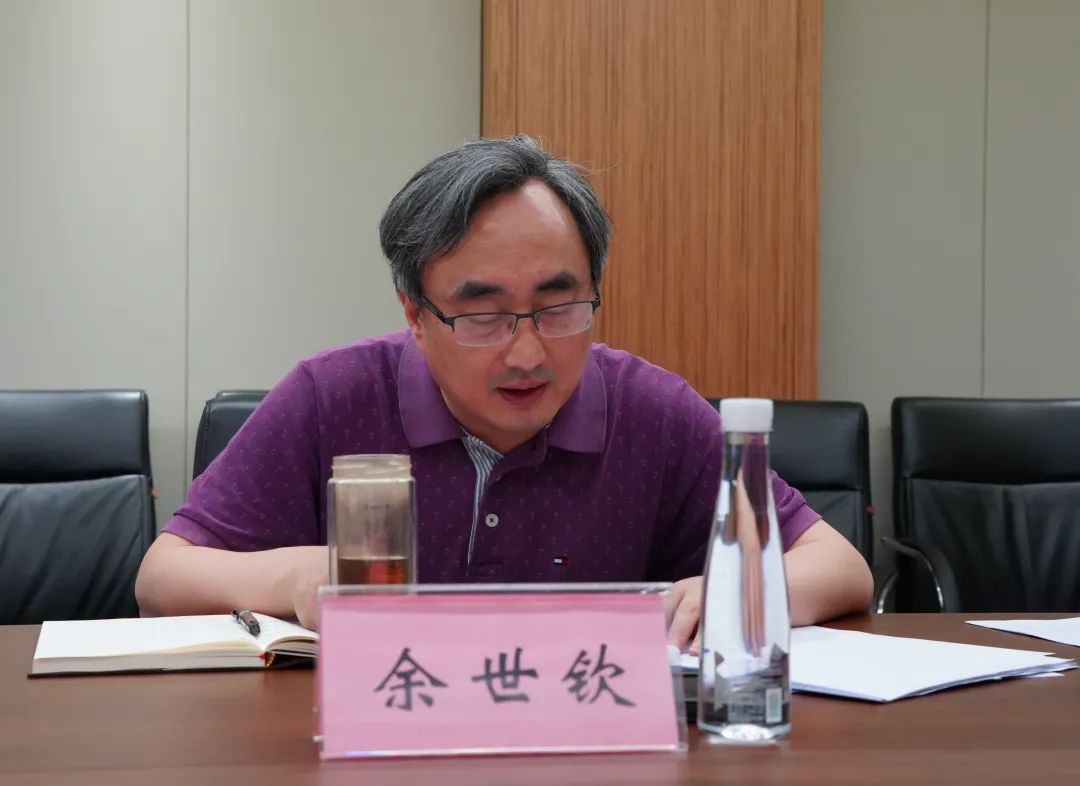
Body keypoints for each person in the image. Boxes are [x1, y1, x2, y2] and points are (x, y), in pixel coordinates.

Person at [135, 136, 873, 644]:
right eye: (483, 316)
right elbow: (163, 578)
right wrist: (296, 575)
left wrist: (741, 586)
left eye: (558, 307)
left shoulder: (652, 412)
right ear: (415, 315)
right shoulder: (332, 397)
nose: (527, 352)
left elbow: (838, 566)